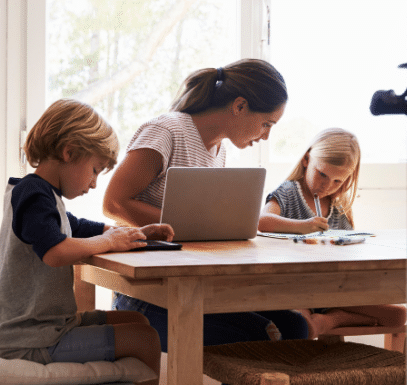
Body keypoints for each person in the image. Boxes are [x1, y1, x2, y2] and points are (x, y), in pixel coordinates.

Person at [102, 58, 309, 351]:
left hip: (191, 287)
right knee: (264, 335)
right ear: (239, 106)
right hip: (146, 295)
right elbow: (114, 203)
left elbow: (197, 227)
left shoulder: (217, 151)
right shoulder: (166, 131)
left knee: (297, 326)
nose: (265, 136)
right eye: (266, 124)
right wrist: (186, 227)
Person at [0, 99, 170, 384]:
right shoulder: (34, 193)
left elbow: (77, 226)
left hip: (41, 327)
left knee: (138, 322)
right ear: (68, 152)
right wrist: (107, 242)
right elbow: (55, 252)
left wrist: (134, 233)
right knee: (145, 340)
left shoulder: (37, 194)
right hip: (31, 339)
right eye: (95, 170)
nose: (94, 183)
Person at [258, 127, 407, 339]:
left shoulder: (338, 204)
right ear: (307, 159)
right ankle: (322, 322)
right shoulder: (290, 192)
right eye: (322, 174)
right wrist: (302, 226)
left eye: (338, 181)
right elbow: (262, 222)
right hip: (295, 289)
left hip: (335, 290)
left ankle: (331, 321)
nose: (327, 185)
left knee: (398, 315)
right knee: (299, 323)